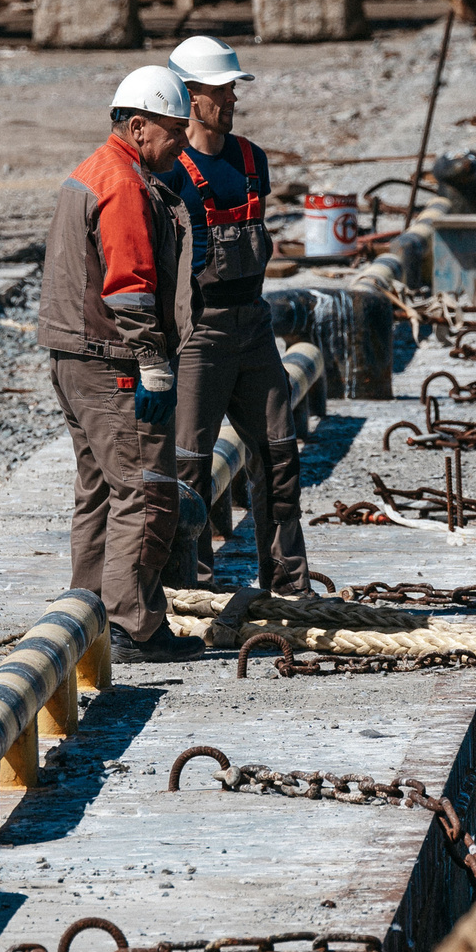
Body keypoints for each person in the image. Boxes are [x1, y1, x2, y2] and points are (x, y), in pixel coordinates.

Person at [38, 65, 198, 662]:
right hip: (111, 360)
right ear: (139, 125)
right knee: (144, 490)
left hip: (73, 357)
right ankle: (133, 625)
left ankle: (87, 616)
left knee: (100, 491)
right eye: (174, 132)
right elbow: (129, 288)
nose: (182, 145)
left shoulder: (89, 171)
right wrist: (152, 359)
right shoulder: (124, 184)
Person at [157, 35, 311, 596]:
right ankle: (192, 589)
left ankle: (290, 584)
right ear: (191, 98)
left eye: (232, 89)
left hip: (254, 324)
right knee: (191, 462)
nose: (232, 100)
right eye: (221, 91)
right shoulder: (172, 173)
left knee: (279, 453)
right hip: (200, 332)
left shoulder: (252, 160)